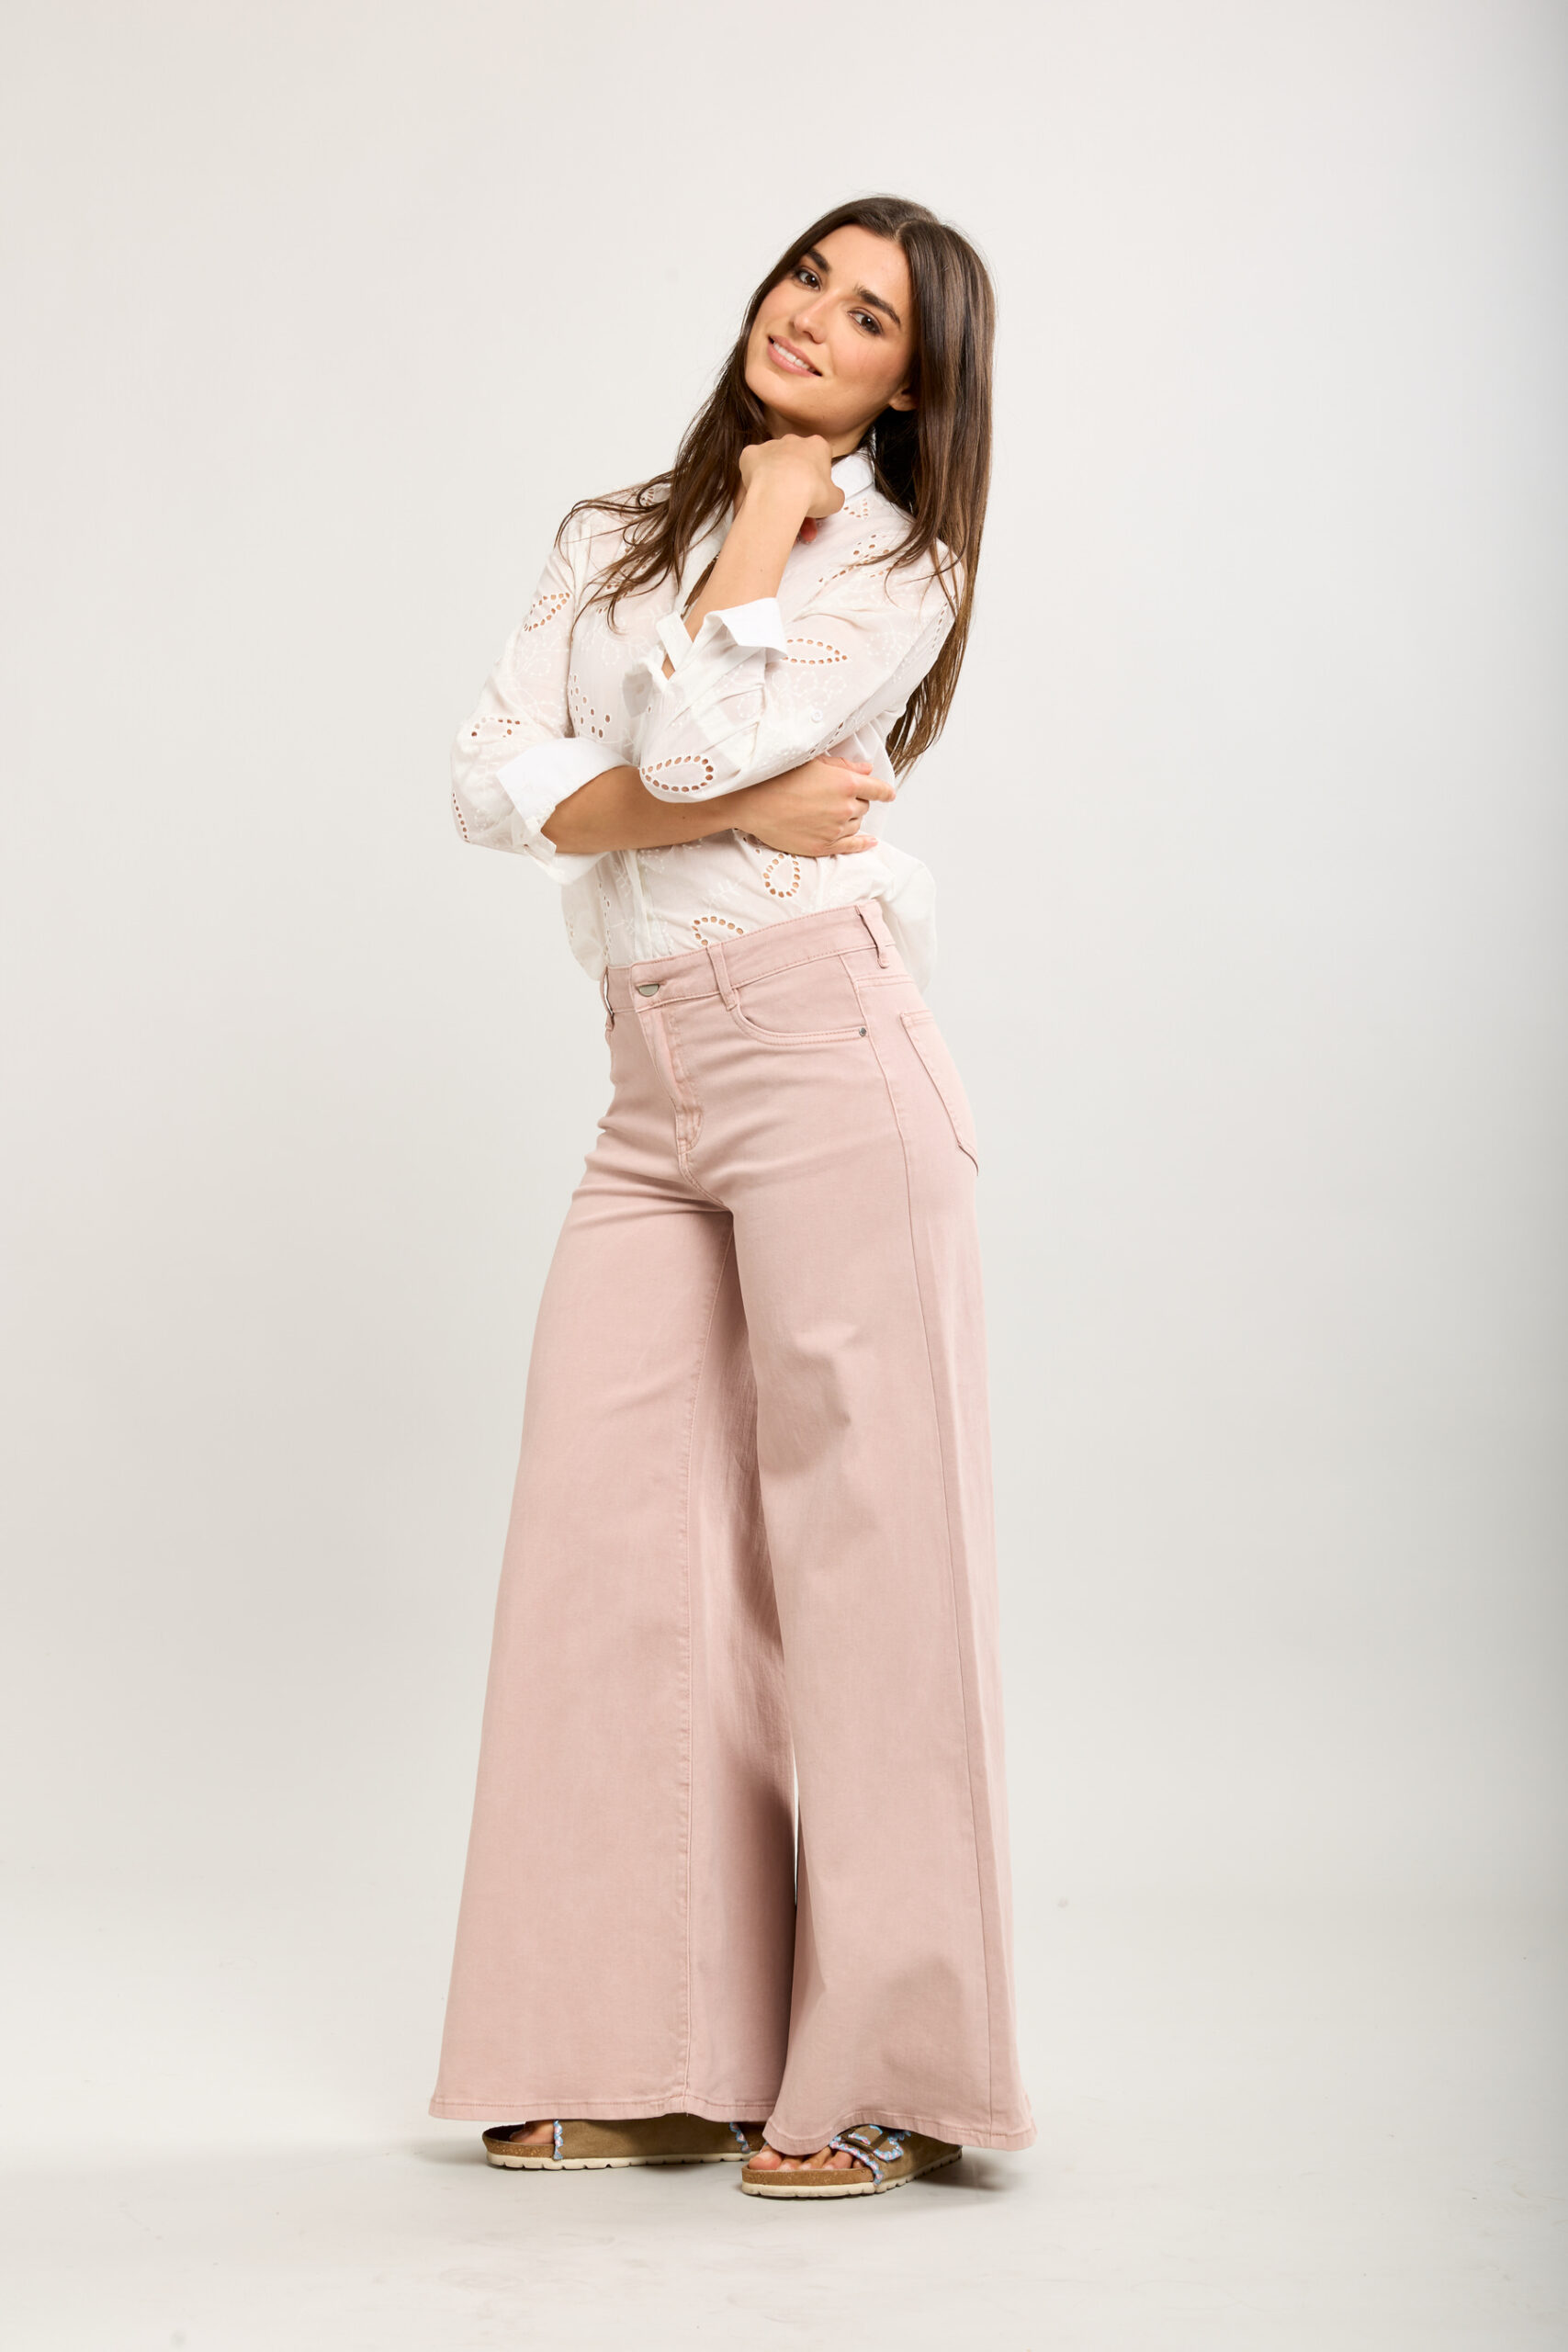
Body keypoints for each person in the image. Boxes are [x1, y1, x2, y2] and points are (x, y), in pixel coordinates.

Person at [430, 195, 1033, 2199]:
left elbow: (661, 744)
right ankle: (647, 2046)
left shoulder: (900, 562)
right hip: (651, 1085)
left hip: (821, 1053)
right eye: (806, 279)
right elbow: (485, 781)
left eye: (868, 321)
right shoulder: (613, 531)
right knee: (612, 1547)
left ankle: (887, 2068)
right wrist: (747, 794)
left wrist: (773, 517)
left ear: (906, 390)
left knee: (869, 1563)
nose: (814, 321)